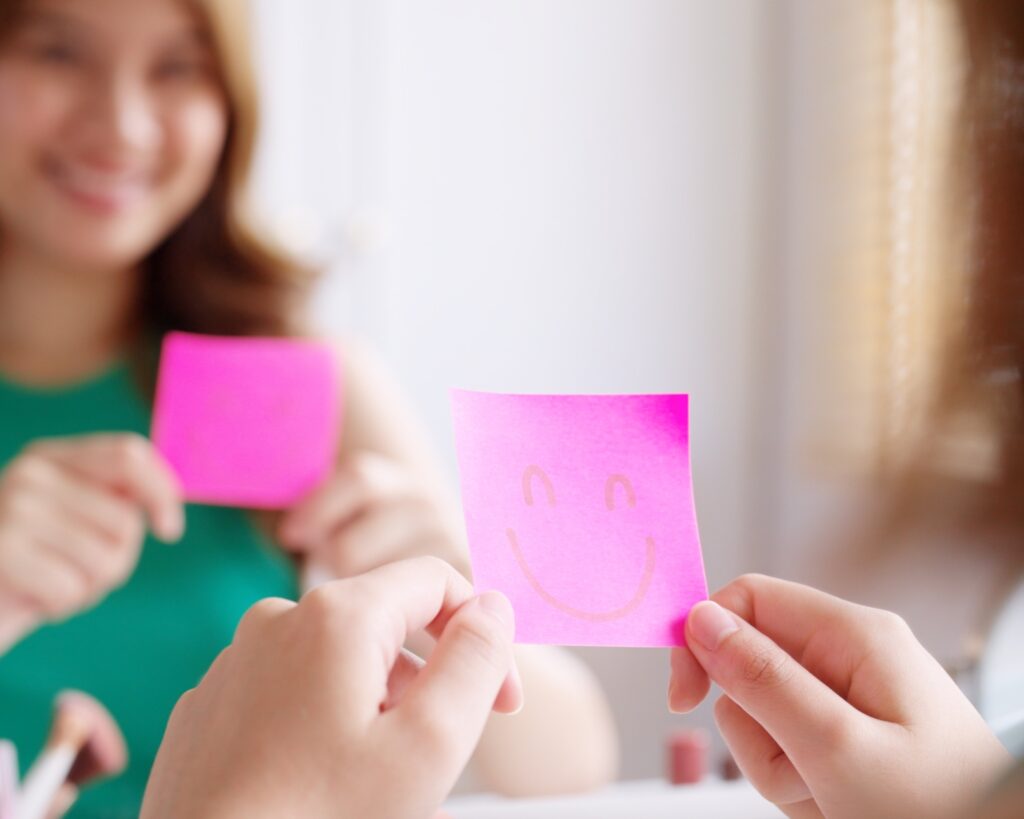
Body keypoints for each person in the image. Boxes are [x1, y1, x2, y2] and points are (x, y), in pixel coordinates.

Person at [0, 0, 616, 814]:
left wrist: (462, 593)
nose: (122, 126)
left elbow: (573, 765)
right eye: (58, 53)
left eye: (178, 67)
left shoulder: (301, 380)